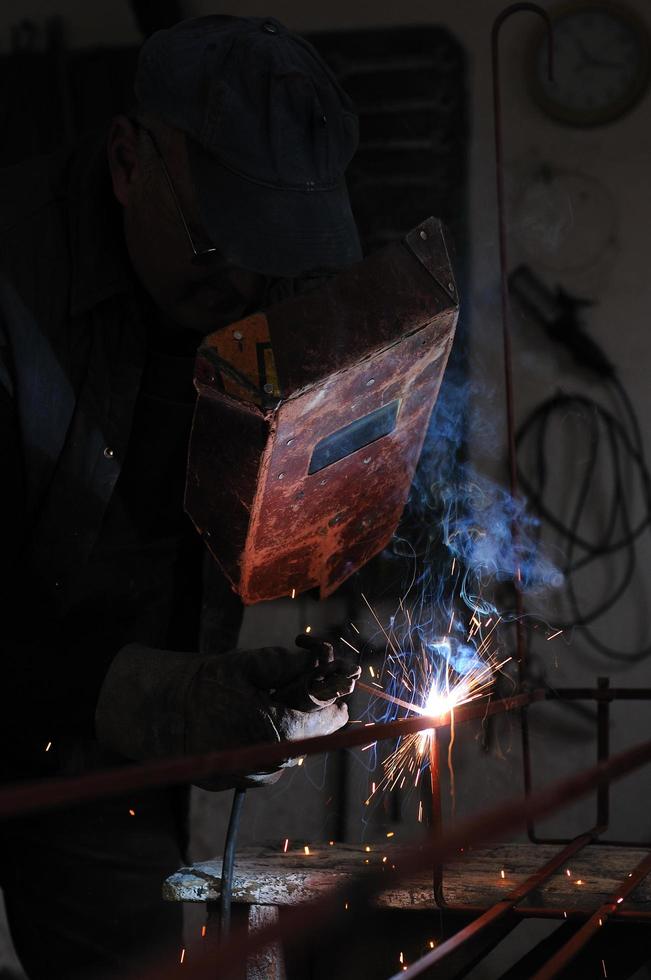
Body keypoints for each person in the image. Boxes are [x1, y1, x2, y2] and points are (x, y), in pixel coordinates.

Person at [0, 15, 361, 978]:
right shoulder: (11, 278)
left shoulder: (255, 294)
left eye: (270, 249)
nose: (245, 281)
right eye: (218, 242)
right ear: (127, 161)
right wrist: (135, 689)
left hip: (93, 761)